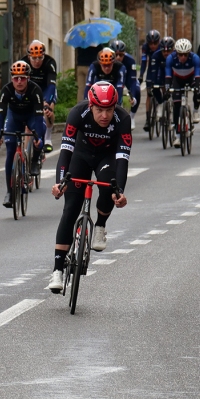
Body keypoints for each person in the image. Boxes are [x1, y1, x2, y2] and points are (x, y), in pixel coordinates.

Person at [47, 81, 130, 293]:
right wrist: (60, 182)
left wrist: (119, 192)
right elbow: (65, 152)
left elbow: (122, 159)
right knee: (71, 208)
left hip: (106, 158)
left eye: (109, 110)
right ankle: (57, 270)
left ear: (115, 107)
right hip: (80, 156)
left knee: (108, 188)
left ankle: (100, 225)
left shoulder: (123, 119)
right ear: (91, 106)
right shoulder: (77, 113)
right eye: (99, 110)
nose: (104, 115)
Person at [0, 61, 46, 207]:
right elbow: (0, 116)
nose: (19, 81)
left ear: (28, 78)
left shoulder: (35, 90)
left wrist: (38, 139)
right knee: (10, 150)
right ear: (12, 79)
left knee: (41, 129)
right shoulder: (6, 90)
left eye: (22, 78)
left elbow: (39, 117)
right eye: (16, 78)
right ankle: (9, 192)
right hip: (14, 117)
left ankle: (34, 161)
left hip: (31, 116)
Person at [165, 38, 200, 147]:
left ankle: (195, 111)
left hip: (191, 78)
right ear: (176, 53)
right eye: (180, 54)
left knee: (199, 92)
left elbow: (198, 74)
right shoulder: (170, 58)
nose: (183, 57)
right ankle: (177, 135)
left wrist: (197, 87)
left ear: (189, 53)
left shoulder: (195, 58)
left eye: (185, 55)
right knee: (176, 105)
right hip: (177, 79)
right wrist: (167, 88)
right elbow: (168, 75)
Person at [21, 40, 57, 152]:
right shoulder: (23, 63)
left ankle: (47, 139)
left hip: (46, 89)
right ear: (29, 57)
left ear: (44, 56)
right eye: (34, 58)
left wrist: (47, 103)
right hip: (30, 90)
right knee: (27, 121)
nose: (37, 61)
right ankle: (26, 152)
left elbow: (51, 85)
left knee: (47, 111)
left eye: (40, 58)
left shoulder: (50, 62)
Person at [143, 37, 174, 131]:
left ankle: (170, 111)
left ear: (172, 50)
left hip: (171, 73)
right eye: (163, 51)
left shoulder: (175, 56)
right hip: (159, 71)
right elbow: (153, 71)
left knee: (169, 89)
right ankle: (160, 103)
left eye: (168, 51)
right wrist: (152, 84)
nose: (166, 53)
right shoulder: (156, 55)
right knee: (155, 86)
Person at [111, 39, 139, 130]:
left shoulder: (130, 60)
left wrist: (133, 96)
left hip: (127, 78)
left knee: (137, 89)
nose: (118, 57)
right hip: (114, 79)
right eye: (116, 55)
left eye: (121, 55)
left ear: (125, 53)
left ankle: (132, 116)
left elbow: (133, 80)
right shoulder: (108, 61)